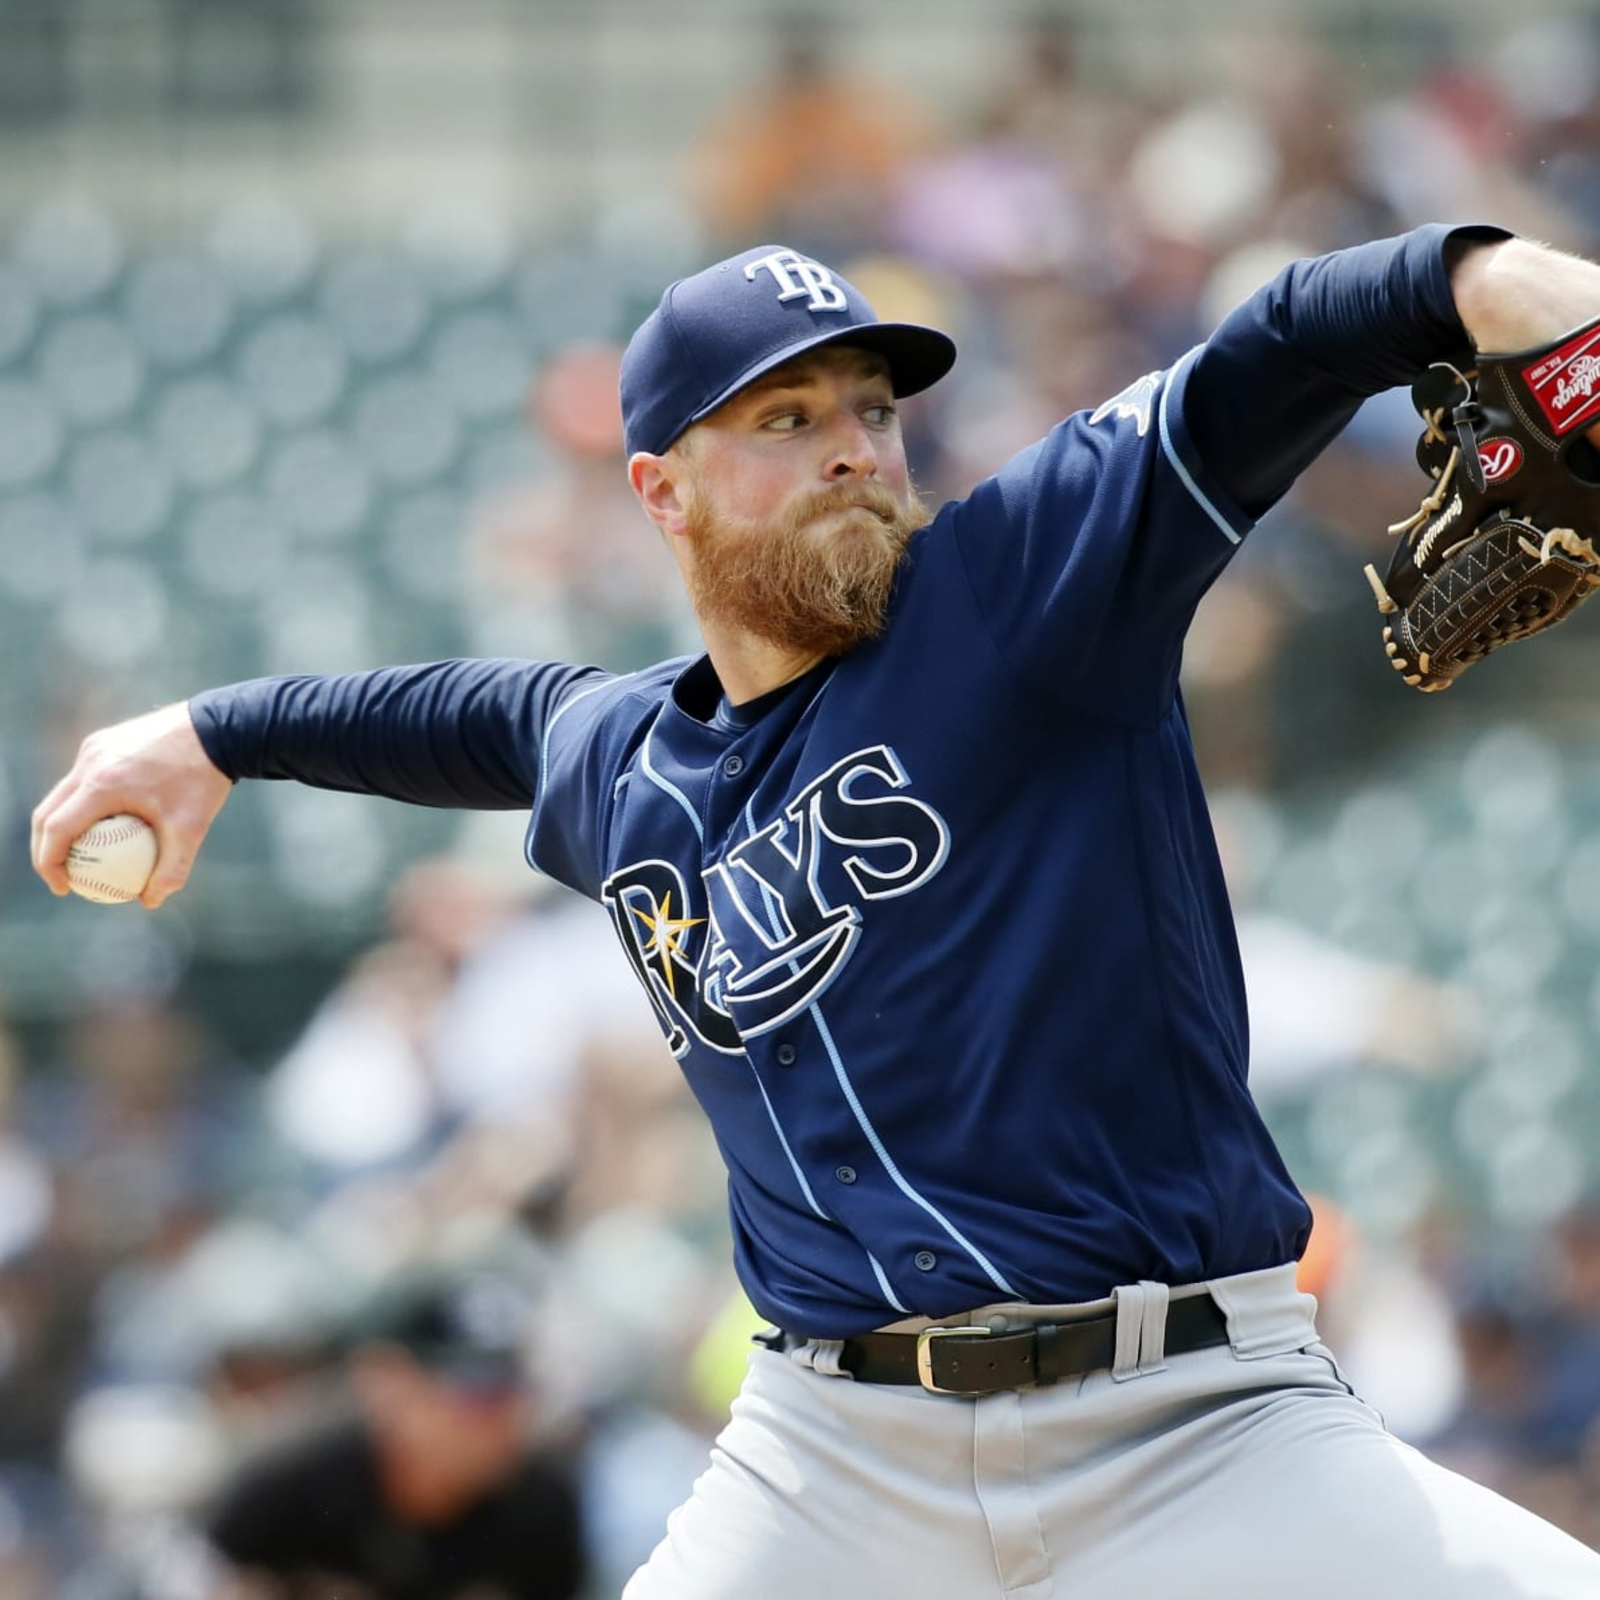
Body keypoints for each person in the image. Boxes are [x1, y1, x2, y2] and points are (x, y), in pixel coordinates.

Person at [31, 226, 1600, 1598]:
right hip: (839, 1460)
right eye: (785, 418)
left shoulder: (1022, 590)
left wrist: (1480, 276)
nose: (854, 444)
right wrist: (207, 734)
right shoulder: (626, 757)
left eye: (870, 406)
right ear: (664, 489)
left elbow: (1271, 351)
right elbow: (459, 715)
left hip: (1193, 1419)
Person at [197, 1269, 588, 1600]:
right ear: (385, 1384)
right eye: (476, 1395)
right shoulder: (285, 1485)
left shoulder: (541, 1505)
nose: (505, 1418)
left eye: (516, 1392)